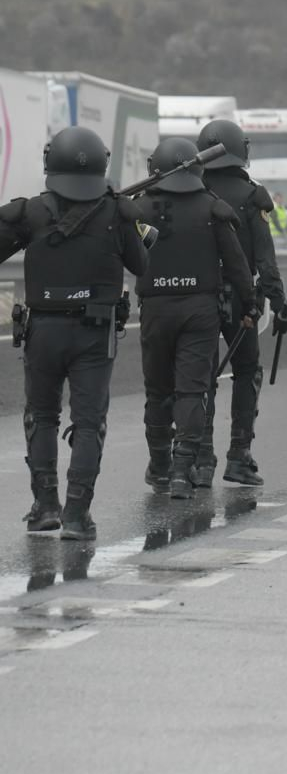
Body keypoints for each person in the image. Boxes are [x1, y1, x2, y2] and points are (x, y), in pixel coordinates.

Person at [0, 127, 146, 538]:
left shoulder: (30, 212)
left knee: (41, 416)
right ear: (101, 164)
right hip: (94, 332)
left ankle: (45, 506)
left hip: (43, 330)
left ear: (51, 163)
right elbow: (142, 266)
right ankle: (78, 516)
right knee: (89, 422)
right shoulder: (117, 212)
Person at [134, 138, 257, 500]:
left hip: (156, 309)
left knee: (158, 391)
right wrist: (249, 304)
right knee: (192, 390)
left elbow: (126, 257)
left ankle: (159, 466)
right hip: (200, 311)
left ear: (155, 168)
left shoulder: (138, 208)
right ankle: (181, 470)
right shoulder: (212, 208)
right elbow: (236, 263)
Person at [196, 118, 287, 487]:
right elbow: (266, 259)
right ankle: (239, 455)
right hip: (241, 298)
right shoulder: (253, 195)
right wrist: (279, 303)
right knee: (247, 370)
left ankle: (200, 457)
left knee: (201, 375)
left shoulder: (192, 190)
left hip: (199, 296)